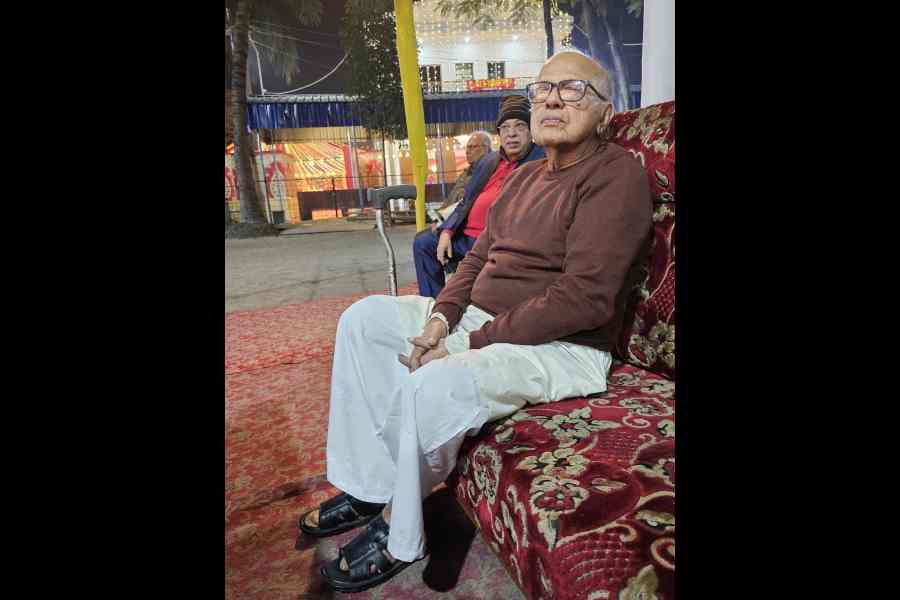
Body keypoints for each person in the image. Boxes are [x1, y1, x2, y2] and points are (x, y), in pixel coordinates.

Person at [298, 50, 652, 594]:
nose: (553, 98)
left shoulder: (614, 175)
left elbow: (584, 299)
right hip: (490, 321)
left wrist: (469, 344)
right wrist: (441, 320)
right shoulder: (524, 176)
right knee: (363, 320)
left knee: (431, 383)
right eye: (544, 88)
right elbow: (474, 260)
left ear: (606, 114)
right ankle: (368, 484)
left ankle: (398, 529)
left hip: (562, 346)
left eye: (575, 90)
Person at [413, 95, 545, 298]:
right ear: (499, 133)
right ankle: (434, 305)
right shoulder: (488, 161)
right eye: (505, 128)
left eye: (519, 126)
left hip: (500, 241)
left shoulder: (542, 159)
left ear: (531, 131)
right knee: (423, 243)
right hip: (467, 237)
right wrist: (447, 230)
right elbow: (466, 200)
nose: (512, 134)